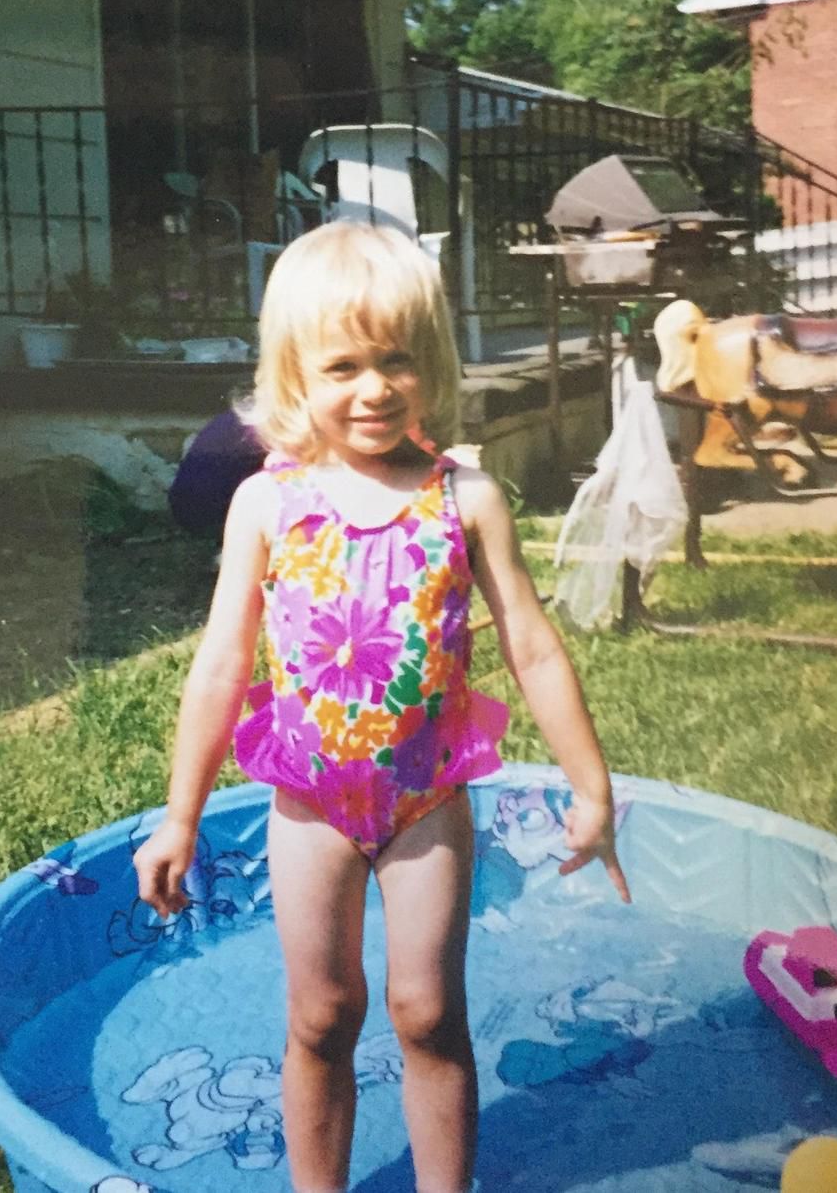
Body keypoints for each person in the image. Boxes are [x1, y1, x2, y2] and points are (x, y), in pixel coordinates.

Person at [135, 222, 631, 1193]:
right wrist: (181, 814)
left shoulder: (466, 498)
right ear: (294, 374)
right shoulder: (267, 505)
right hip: (307, 804)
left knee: (425, 1011)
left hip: (424, 799)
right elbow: (223, 658)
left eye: (397, 359)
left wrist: (591, 783)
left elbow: (529, 643)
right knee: (318, 1016)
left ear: (431, 360)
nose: (373, 387)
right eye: (343, 364)